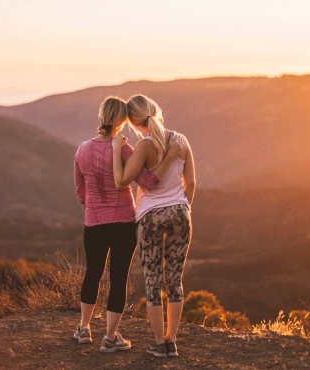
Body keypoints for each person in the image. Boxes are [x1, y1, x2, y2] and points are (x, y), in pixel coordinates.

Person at [73, 96, 182, 353]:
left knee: (93, 273)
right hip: (124, 223)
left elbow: (80, 190)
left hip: (95, 222)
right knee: (118, 278)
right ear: (122, 121)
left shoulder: (82, 150)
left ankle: (84, 328)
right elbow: (148, 182)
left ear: (101, 117)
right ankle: (110, 338)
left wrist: (92, 207)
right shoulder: (125, 150)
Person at [112, 94, 196, 358]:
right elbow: (191, 184)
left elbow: (125, 180)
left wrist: (117, 151)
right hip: (181, 213)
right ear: (156, 111)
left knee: (153, 281)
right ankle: (173, 340)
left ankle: (160, 343)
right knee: (175, 279)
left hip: (150, 217)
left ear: (135, 124)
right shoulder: (181, 141)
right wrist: (184, 209)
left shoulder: (144, 147)